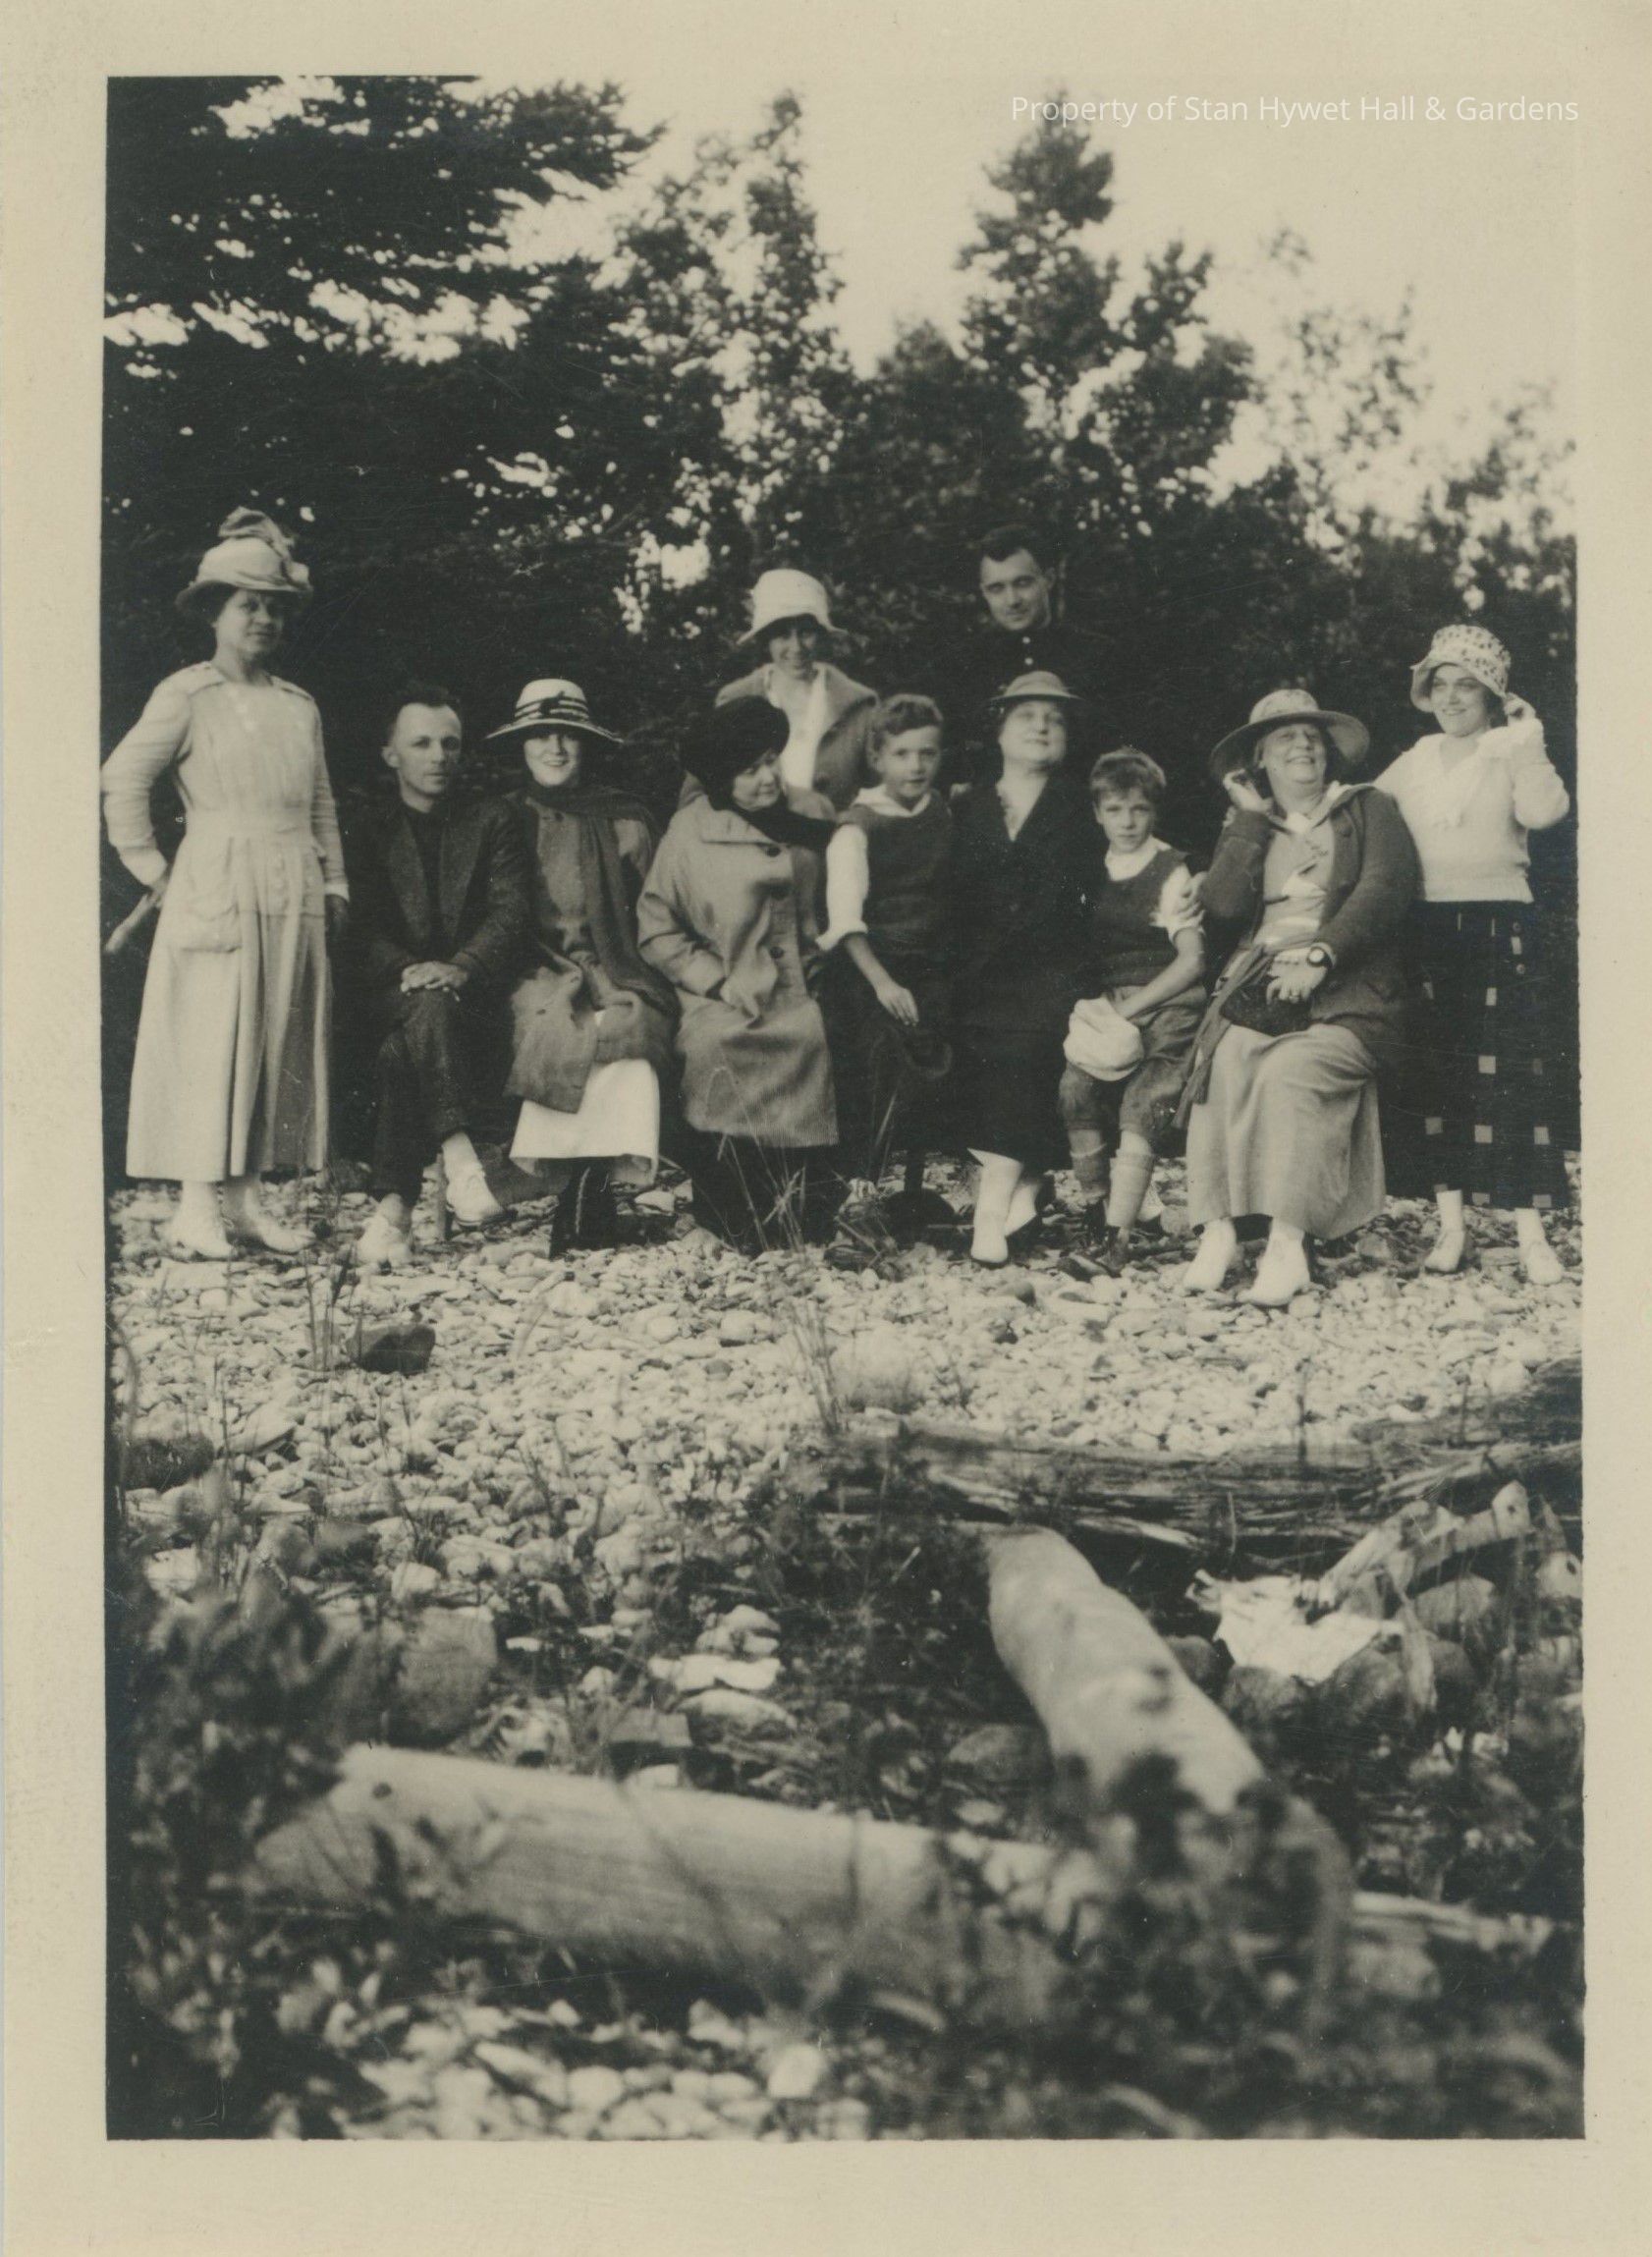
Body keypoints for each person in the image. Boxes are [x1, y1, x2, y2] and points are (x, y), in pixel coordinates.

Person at [101, 510, 347, 1258]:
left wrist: (335, 883)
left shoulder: (300, 705)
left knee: (273, 1038)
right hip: (216, 885)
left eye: (275, 607)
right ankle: (195, 1207)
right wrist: (153, 869)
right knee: (211, 1040)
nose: (264, 618)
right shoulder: (188, 695)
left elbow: (320, 805)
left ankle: (245, 1203)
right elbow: (121, 779)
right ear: (214, 611)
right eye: (248, 604)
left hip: (293, 884)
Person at [1180, 688, 1419, 1307]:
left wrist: (1322, 954)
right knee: (1224, 1061)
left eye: (1313, 735)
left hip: (1351, 993)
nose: (1303, 744)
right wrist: (1249, 818)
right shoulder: (1251, 825)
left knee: (1292, 1070)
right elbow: (1223, 908)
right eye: (1285, 736)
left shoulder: (1367, 808)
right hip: (1260, 986)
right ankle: (1219, 1232)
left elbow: (1386, 888)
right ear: (1259, 758)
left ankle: (1288, 1245)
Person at [1377, 625, 1572, 1284]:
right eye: (1441, 684)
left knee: (1510, 1076)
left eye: (1467, 685)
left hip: (1499, 921)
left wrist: (1528, 740)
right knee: (1438, 1077)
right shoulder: (1415, 759)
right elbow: (1362, 818)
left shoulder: (1511, 747)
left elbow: (1545, 812)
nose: (1452, 697)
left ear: (1492, 694)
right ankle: (1452, 1227)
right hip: (1426, 928)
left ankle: (1530, 1234)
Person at [636, 697, 839, 1251]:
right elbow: (656, 928)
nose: (768, 777)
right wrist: (716, 981)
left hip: (809, 983)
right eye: (750, 770)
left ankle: (809, 1208)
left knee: (824, 1040)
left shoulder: (814, 813)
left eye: (772, 760)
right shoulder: (689, 831)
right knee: (714, 1046)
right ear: (723, 779)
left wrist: (827, 955)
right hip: (726, 987)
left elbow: (847, 893)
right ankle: (729, 1212)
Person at [489, 679, 678, 1255]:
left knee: (629, 1024)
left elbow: (659, 906)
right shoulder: (504, 818)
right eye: (541, 735)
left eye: (568, 736)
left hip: (616, 962)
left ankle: (590, 1191)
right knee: (556, 1028)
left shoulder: (624, 818)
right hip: (534, 966)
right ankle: (568, 1188)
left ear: (586, 744)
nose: (555, 748)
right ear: (521, 746)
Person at [346, 684, 531, 1268]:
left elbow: (510, 912)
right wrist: (412, 970)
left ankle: (393, 1214)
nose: (439, 756)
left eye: (450, 744)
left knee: (404, 1050)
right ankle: (462, 1161)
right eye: (421, 743)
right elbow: (361, 928)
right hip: (392, 991)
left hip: (472, 994)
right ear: (391, 754)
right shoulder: (368, 829)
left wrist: (460, 968)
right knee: (422, 1010)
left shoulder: (492, 819)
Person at [948, 671, 1092, 1267]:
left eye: (1054, 719)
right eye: (1027, 716)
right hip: (974, 973)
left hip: (1053, 972)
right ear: (999, 731)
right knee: (969, 1042)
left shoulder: (1083, 807)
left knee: (1026, 1041)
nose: (1041, 727)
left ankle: (992, 1209)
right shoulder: (966, 805)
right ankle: (1027, 1188)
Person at [817, 692, 956, 1261]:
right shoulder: (857, 826)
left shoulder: (940, 812)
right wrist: (883, 984)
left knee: (953, 1040)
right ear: (877, 758)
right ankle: (860, 1196)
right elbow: (846, 921)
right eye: (902, 754)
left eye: (927, 753)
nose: (915, 766)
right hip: (867, 968)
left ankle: (917, 1190)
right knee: (880, 1051)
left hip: (929, 962)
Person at [1058, 749, 1205, 1273]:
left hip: (1167, 1001)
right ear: (1097, 813)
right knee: (1074, 1089)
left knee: (1144, 1103)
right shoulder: (1090, 868)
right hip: (1111, 1002)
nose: (1127, 822)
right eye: (1115, 810)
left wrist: (1132, 1008)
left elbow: (1192, 960)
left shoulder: (1171, 869)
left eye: (1139, 809)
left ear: (1154, 812)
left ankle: (1117, 1240)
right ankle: (1099, 1211)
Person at [941, 525, 1100, 788]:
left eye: (1022, 583)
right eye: (996, 588)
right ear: (983, 592)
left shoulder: (1097, 654)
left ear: (1048, 579)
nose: (1012, 600)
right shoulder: (963, 664)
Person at [710, 568, 879, 811]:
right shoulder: (735, 700)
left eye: (806, 632)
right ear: (765, 640)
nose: (796, 647)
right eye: (782, 635)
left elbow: (881, 793)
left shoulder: (858, 705)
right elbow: (704, 791)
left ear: (820, 635)